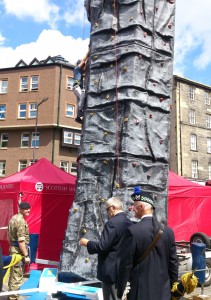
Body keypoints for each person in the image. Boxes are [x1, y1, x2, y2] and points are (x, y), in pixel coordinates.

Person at [117, 187, 178, 300]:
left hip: (140, 292)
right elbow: (173, 263)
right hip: (163, 292)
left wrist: (121, 290)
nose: (132, 209)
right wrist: (175, 289)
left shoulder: (132, 231)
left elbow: (126, 264)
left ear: (141, 207)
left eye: (134, 206)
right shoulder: (168, 232)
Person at [80, 197, 133, 300]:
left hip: (111, 271)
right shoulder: (129, 222)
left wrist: (88, 243)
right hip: (123, 269)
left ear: (112, 208)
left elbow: (103, 246)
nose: (107, 213)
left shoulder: (112, 223)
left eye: (107, 209)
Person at [7, 202, 31, 300]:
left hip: (13, 249)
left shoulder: (13, 218)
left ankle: (12, 294)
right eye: (26, 209)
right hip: (18, 252)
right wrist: (26, 256)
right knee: (17, 276)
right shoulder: (21, 221)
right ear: (21, 209)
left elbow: (9, 235)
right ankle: (13, 297)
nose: (28, 210)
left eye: (29, 208)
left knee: (13, 274)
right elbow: (21, 241)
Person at [73, 50, 89, 124]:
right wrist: (88, 53)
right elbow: (83, 61)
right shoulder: (77, 68)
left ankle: (78, 117)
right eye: (83, 65)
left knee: (79, 101)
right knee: (83, 96)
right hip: (76, 87)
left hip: (77, 87)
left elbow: (85, 69)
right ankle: (80, 112)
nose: (83, 68)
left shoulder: (80, 72)